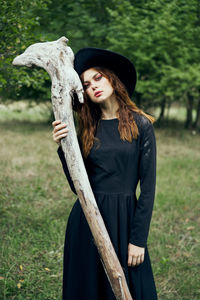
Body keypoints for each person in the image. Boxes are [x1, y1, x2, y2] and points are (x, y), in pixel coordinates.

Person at [52, 48, 158, 300]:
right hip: (87, 219)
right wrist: (64, 147)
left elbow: (149, 188)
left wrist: (138, 240)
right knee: (89, 289)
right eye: (87, 84)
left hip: (124, 218)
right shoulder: (89, 128)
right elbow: (78, 185)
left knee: (129, 288)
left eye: (98, 78)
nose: (94, 87)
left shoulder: (140, 124)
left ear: (112, 78)